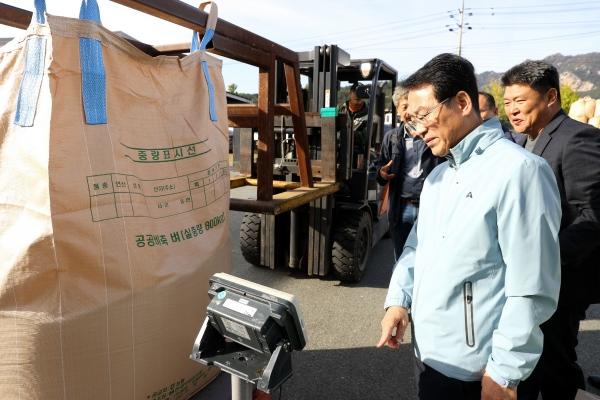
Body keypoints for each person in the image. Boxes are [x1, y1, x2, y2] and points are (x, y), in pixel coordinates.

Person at [377, 53, 562, 400]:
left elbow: (532, 287)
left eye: (423, 116)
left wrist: (505, 372)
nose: (417, 131)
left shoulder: (519, 172)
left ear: (462, 102)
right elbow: (416, 249)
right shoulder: (439, 176)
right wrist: (399, 301)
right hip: (428, 353)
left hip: (477, 372)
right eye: (411, 122)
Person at [502, 60, 600, 400]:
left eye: (520, 100)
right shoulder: (526, 140)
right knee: (532, 364)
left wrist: (541, 260)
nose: (512, 110)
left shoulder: (577, 138)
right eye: (507, 102)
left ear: (551, 97)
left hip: (560, 281)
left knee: (556, 366)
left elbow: (592, 218)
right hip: (533, 279)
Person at [376, 85, 441, 259]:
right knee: (402, 257)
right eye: (404, 107)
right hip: (401, 206)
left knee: (427, 258)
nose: (409, 112)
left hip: (429, 206)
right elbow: (379, 166)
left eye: (412, 107)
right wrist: (381, 174)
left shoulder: (433, 135)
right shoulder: (391, 138)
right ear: (397, 110)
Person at [340, 84, 369, 168]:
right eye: (355, 92)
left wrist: (346, 133)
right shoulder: (340, 110)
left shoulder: (369, 115)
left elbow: (365, 138)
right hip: (339, 153)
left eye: (360, 92)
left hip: (358, 157)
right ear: (350, 94)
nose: (357, 95)